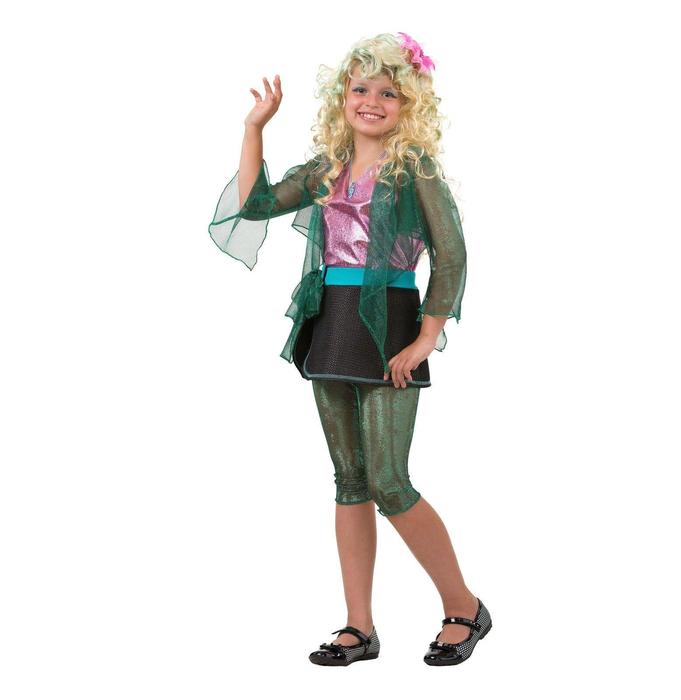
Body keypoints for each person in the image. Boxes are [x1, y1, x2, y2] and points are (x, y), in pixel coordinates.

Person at [208, 32, 492, 667]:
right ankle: (359, 627)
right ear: (342, 97)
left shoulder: (414, 170)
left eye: (389, 93)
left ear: (409, 104)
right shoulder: (324, 169)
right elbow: (255, 205)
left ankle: (465, 606)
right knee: (350, 479)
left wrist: (425, 337)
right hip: (333, 321)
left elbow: (451, 256)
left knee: (390, 482)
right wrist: (254, 129)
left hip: (390, 324)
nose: (372, 101)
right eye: (361, 88)